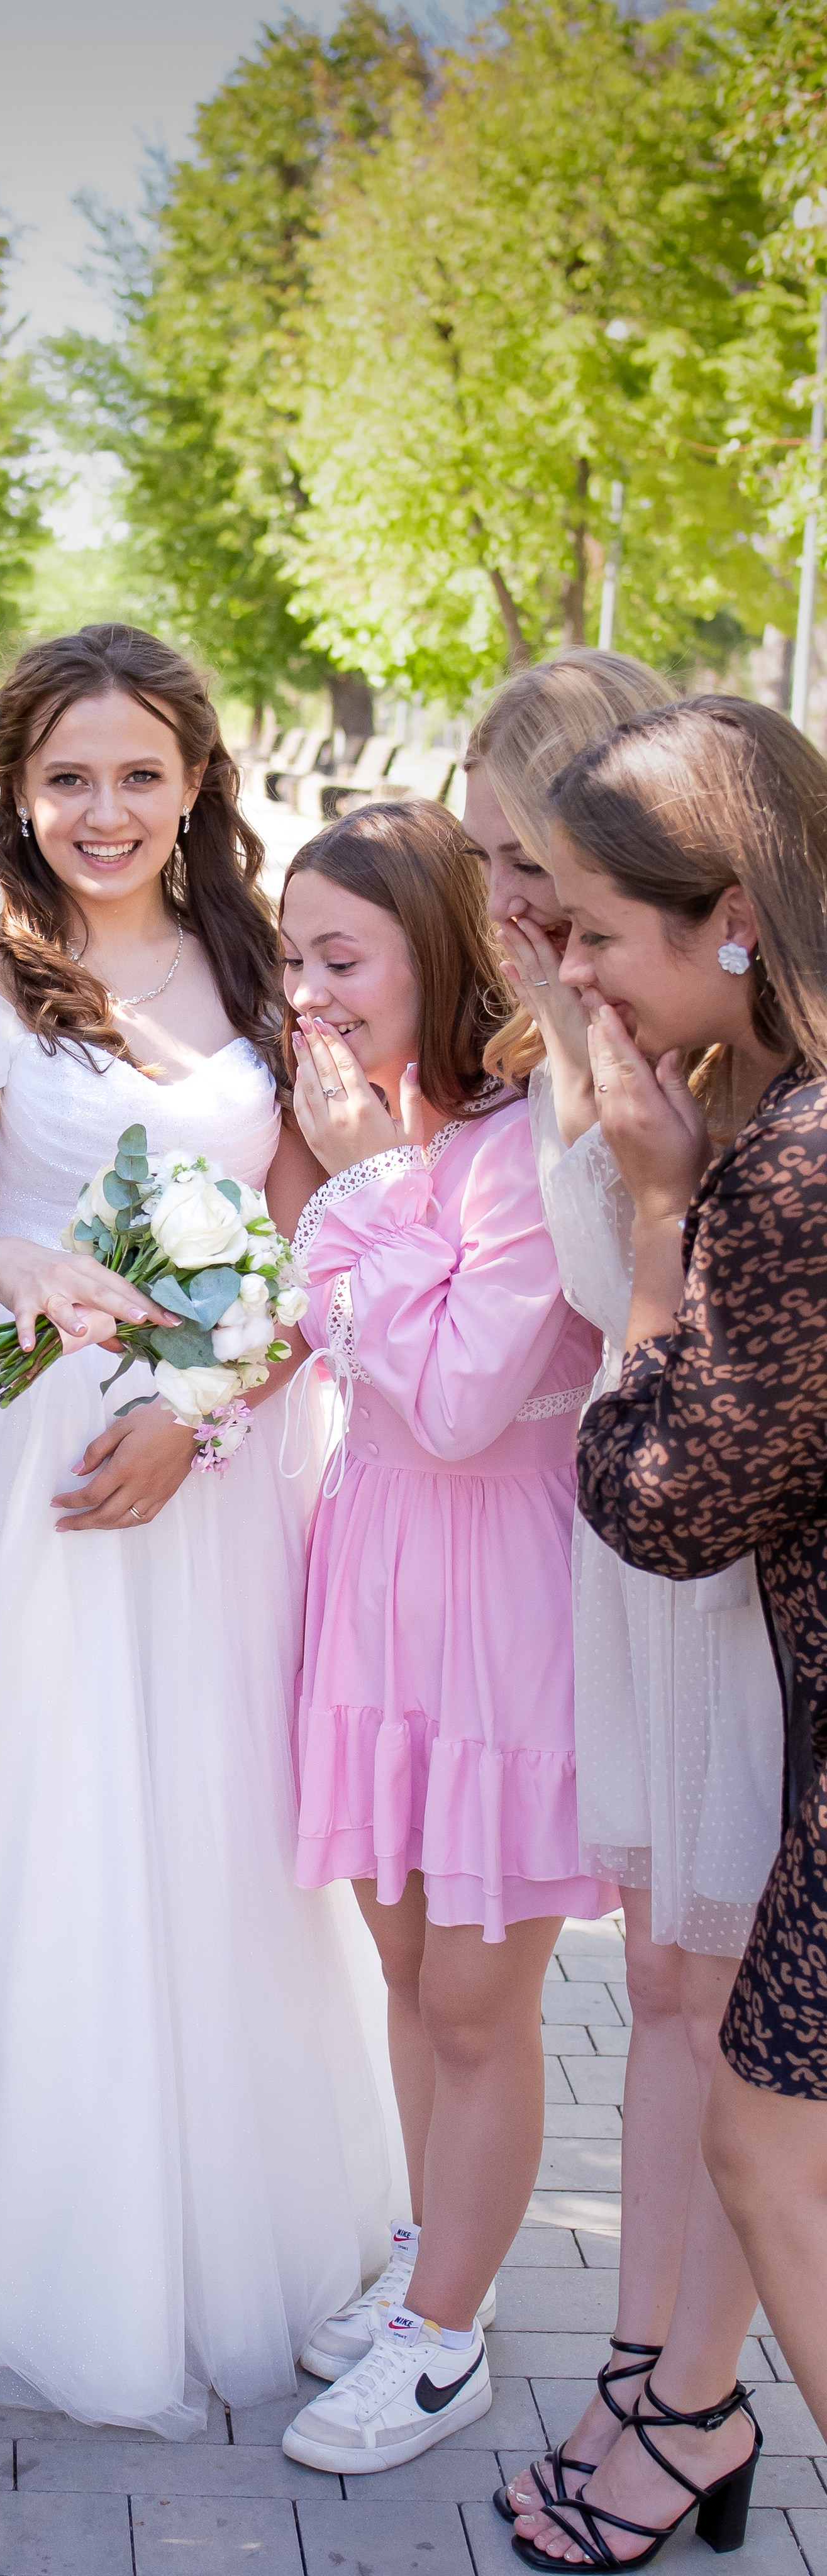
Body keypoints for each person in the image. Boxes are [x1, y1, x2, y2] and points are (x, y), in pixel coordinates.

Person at [0, 623, 398, 2439]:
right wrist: (28, 1277)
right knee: (24, 1829)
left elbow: (313, 1244)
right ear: (18, 790)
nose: (104, 809)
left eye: (141, 773)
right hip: (22, 1460)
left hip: (214, 1468)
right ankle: (12, 2244)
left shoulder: (255, 965)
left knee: (208, 1835)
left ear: (198, 781)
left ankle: (240, 2233)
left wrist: (204, 1413)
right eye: (68, 777)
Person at [459, 655, 784, 2543]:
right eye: (491, 855)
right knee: (660, 1980)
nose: (510, 902)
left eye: (542, 863)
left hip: (724, 1544)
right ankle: (645, 2378)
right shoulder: (572, 1026)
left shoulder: (723, 1050)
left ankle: (697, 2404)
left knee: (726, 2006)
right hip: (631, 1539)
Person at [521, 696, 827, 2564]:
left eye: (597, 935)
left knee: (768, 2143)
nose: (570, 970)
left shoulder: (788, 1169)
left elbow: (663, 1500)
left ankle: (690, 2425)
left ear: (728, 913)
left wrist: (655, 1228)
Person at [274, 801, 611, 2477]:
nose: (310, 995)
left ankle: (447, 2343)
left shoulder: (520, 1145)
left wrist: (371, 1190)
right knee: (407, 1974)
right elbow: (314, 1335)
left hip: (498, 1605)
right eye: (291, 958)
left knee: (481, 2000)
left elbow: (470, 1396)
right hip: (377, 1574)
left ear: (441, 952)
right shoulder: (369, 1133)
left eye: (342, 959)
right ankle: (434, 2254)